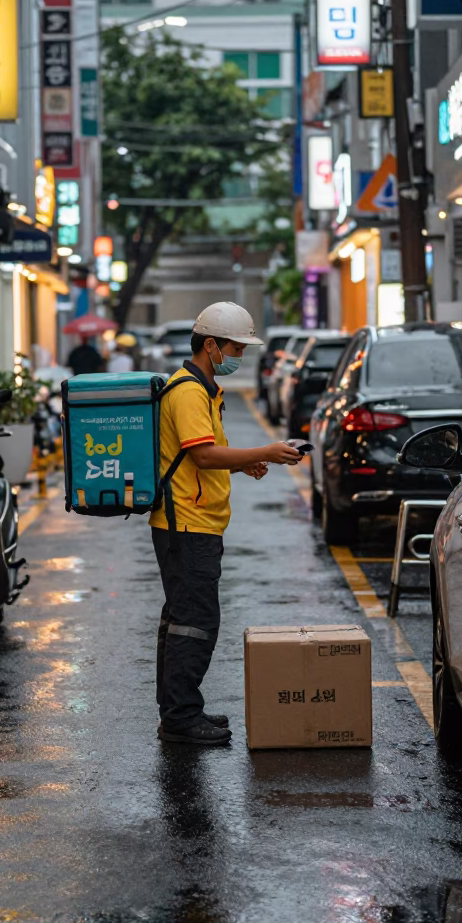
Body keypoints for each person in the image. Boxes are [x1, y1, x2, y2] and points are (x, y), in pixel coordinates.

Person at [149, 302, 303, 747]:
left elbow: (199, 455)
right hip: (187, 524)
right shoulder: (188, 392)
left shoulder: (204, 389)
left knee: (182, 619)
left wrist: (243, 463)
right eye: (235, 348)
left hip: (195, 522)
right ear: (211, 346)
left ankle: (179, 710)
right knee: (195, 621)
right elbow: (202, 455)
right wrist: (265, 451)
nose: (240, 355)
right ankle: (180, 718)